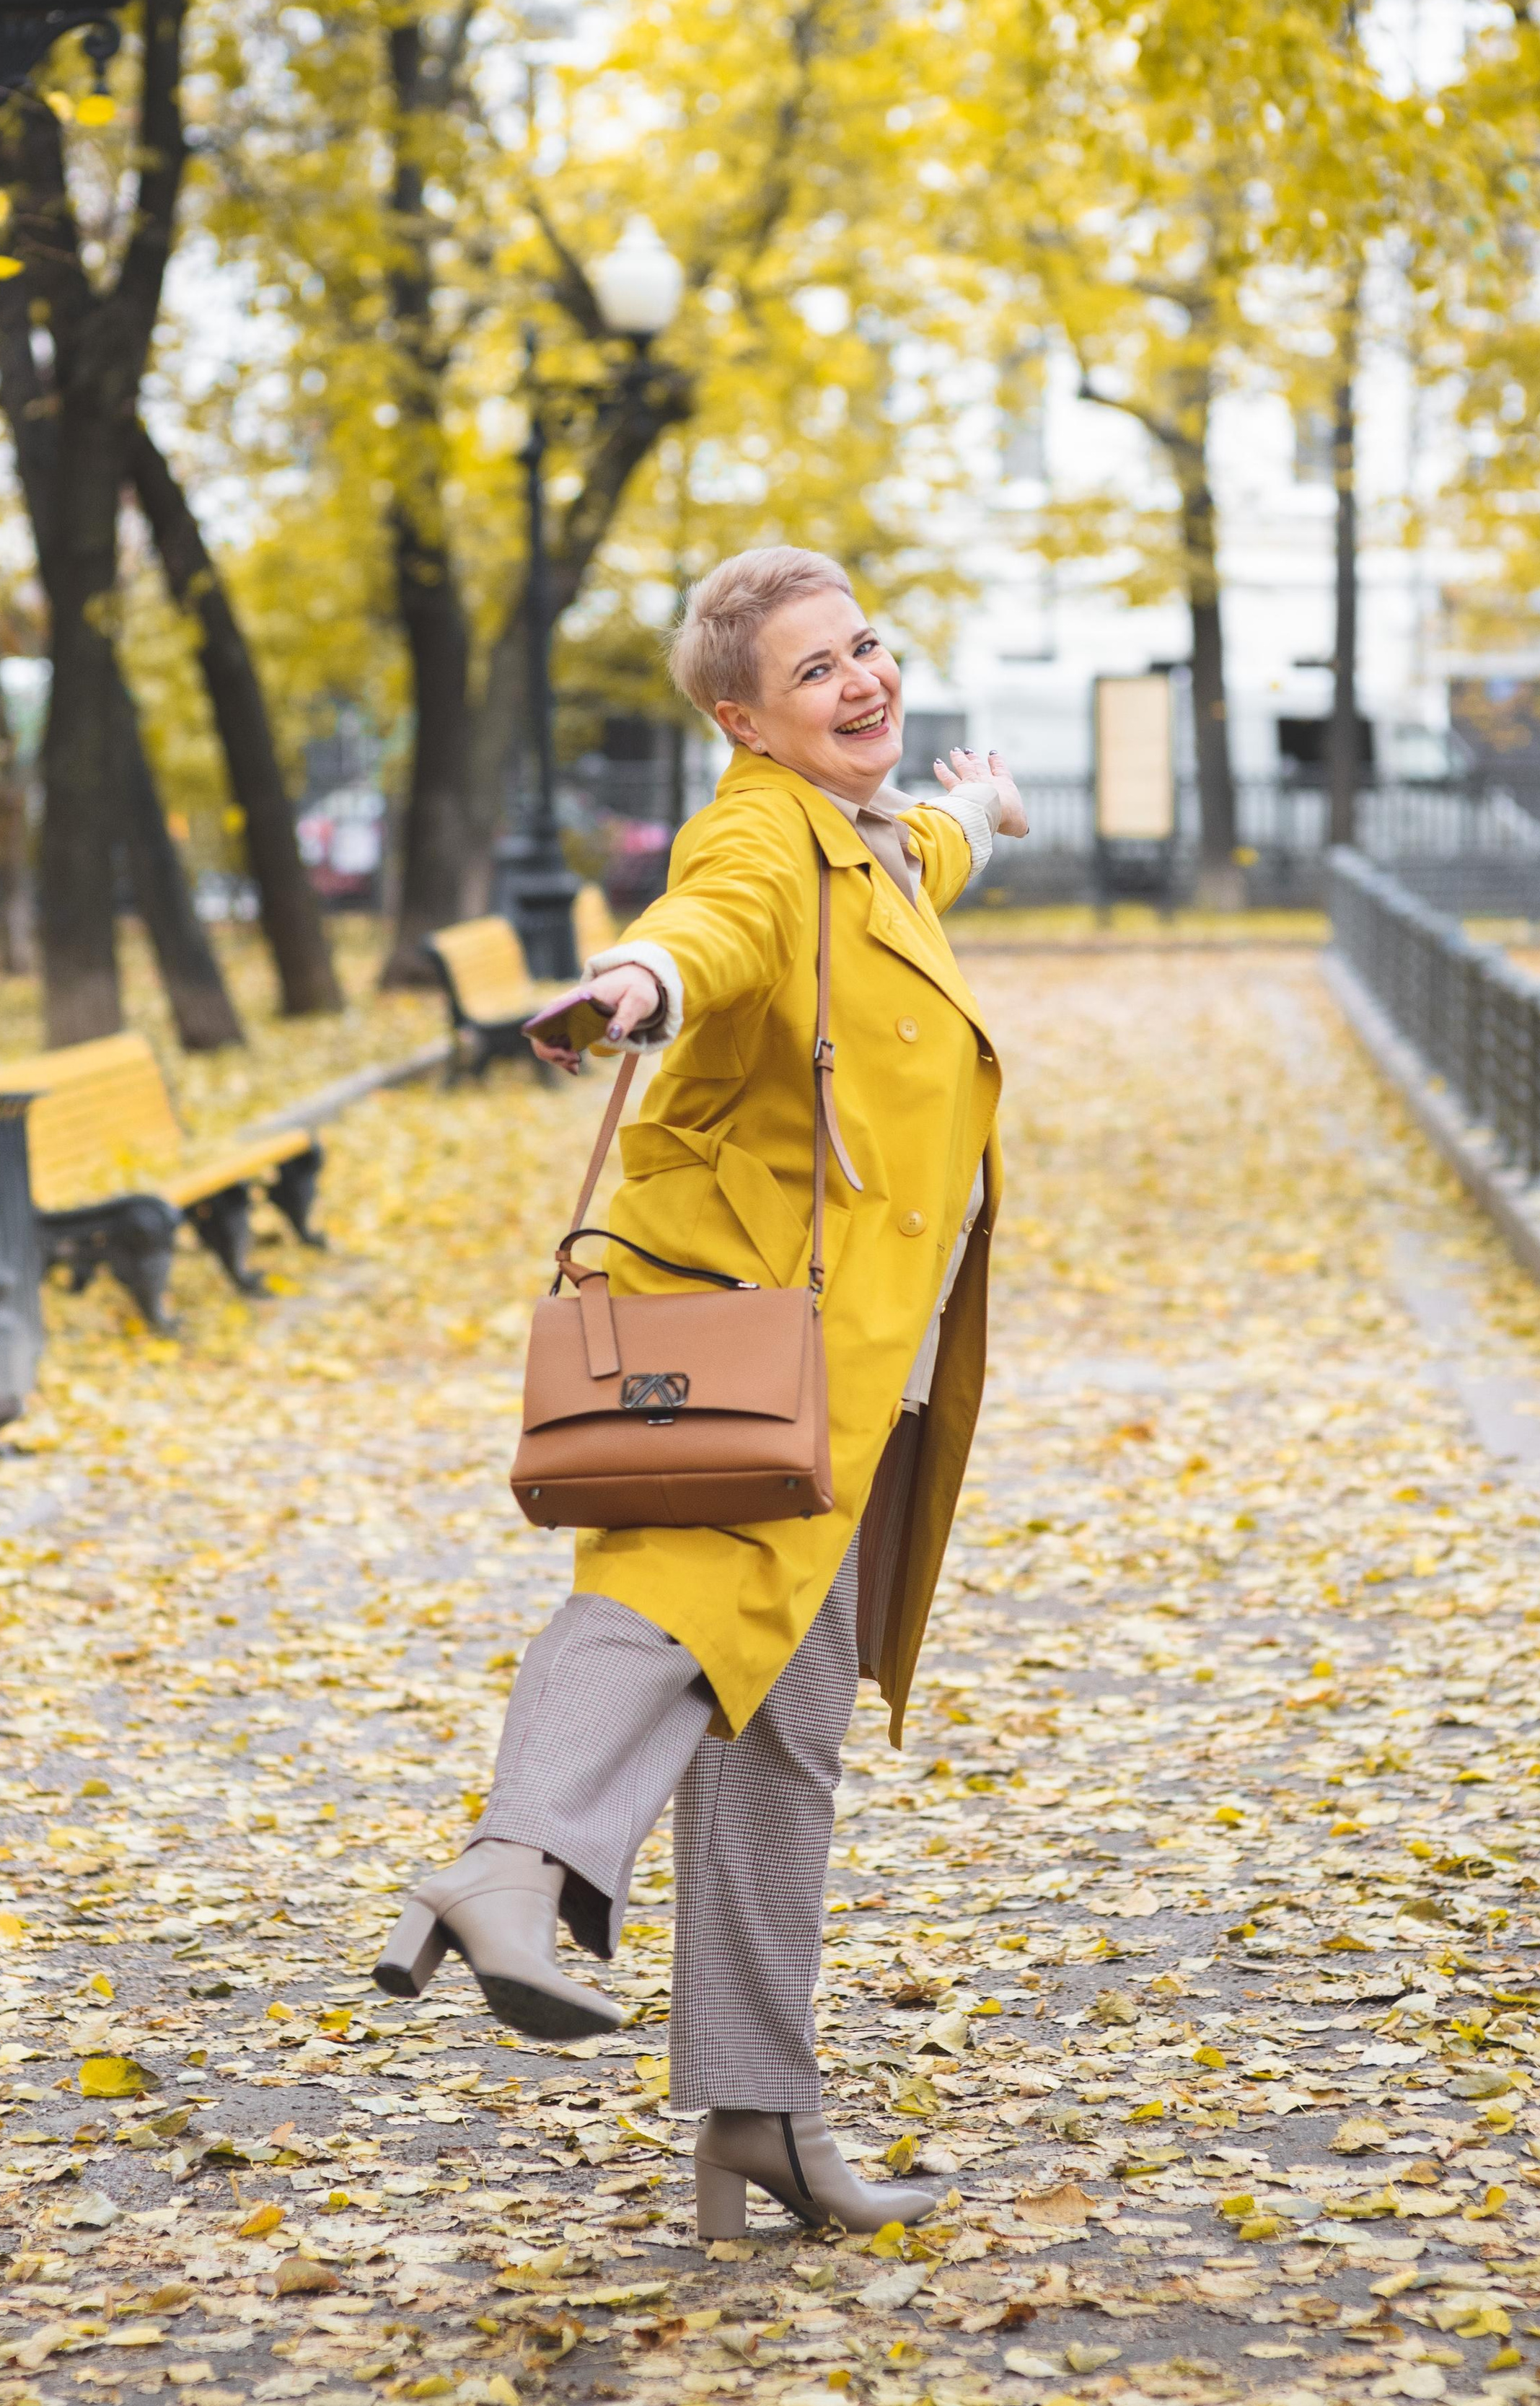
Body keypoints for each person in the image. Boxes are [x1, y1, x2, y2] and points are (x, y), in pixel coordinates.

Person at [376, 545, 1026, 2237]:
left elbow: (918, 856)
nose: (862, 682)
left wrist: (985, 808)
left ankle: (761, 2116)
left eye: (867, 646)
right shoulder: (757, 826)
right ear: (743, 719)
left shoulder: (868, 837)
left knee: (781, 1736)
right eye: (815, 674)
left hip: (843, 1359)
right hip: (739, 1341)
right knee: (668, 1598)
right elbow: (713, 923)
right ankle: (514, 1866)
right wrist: (634, 987)